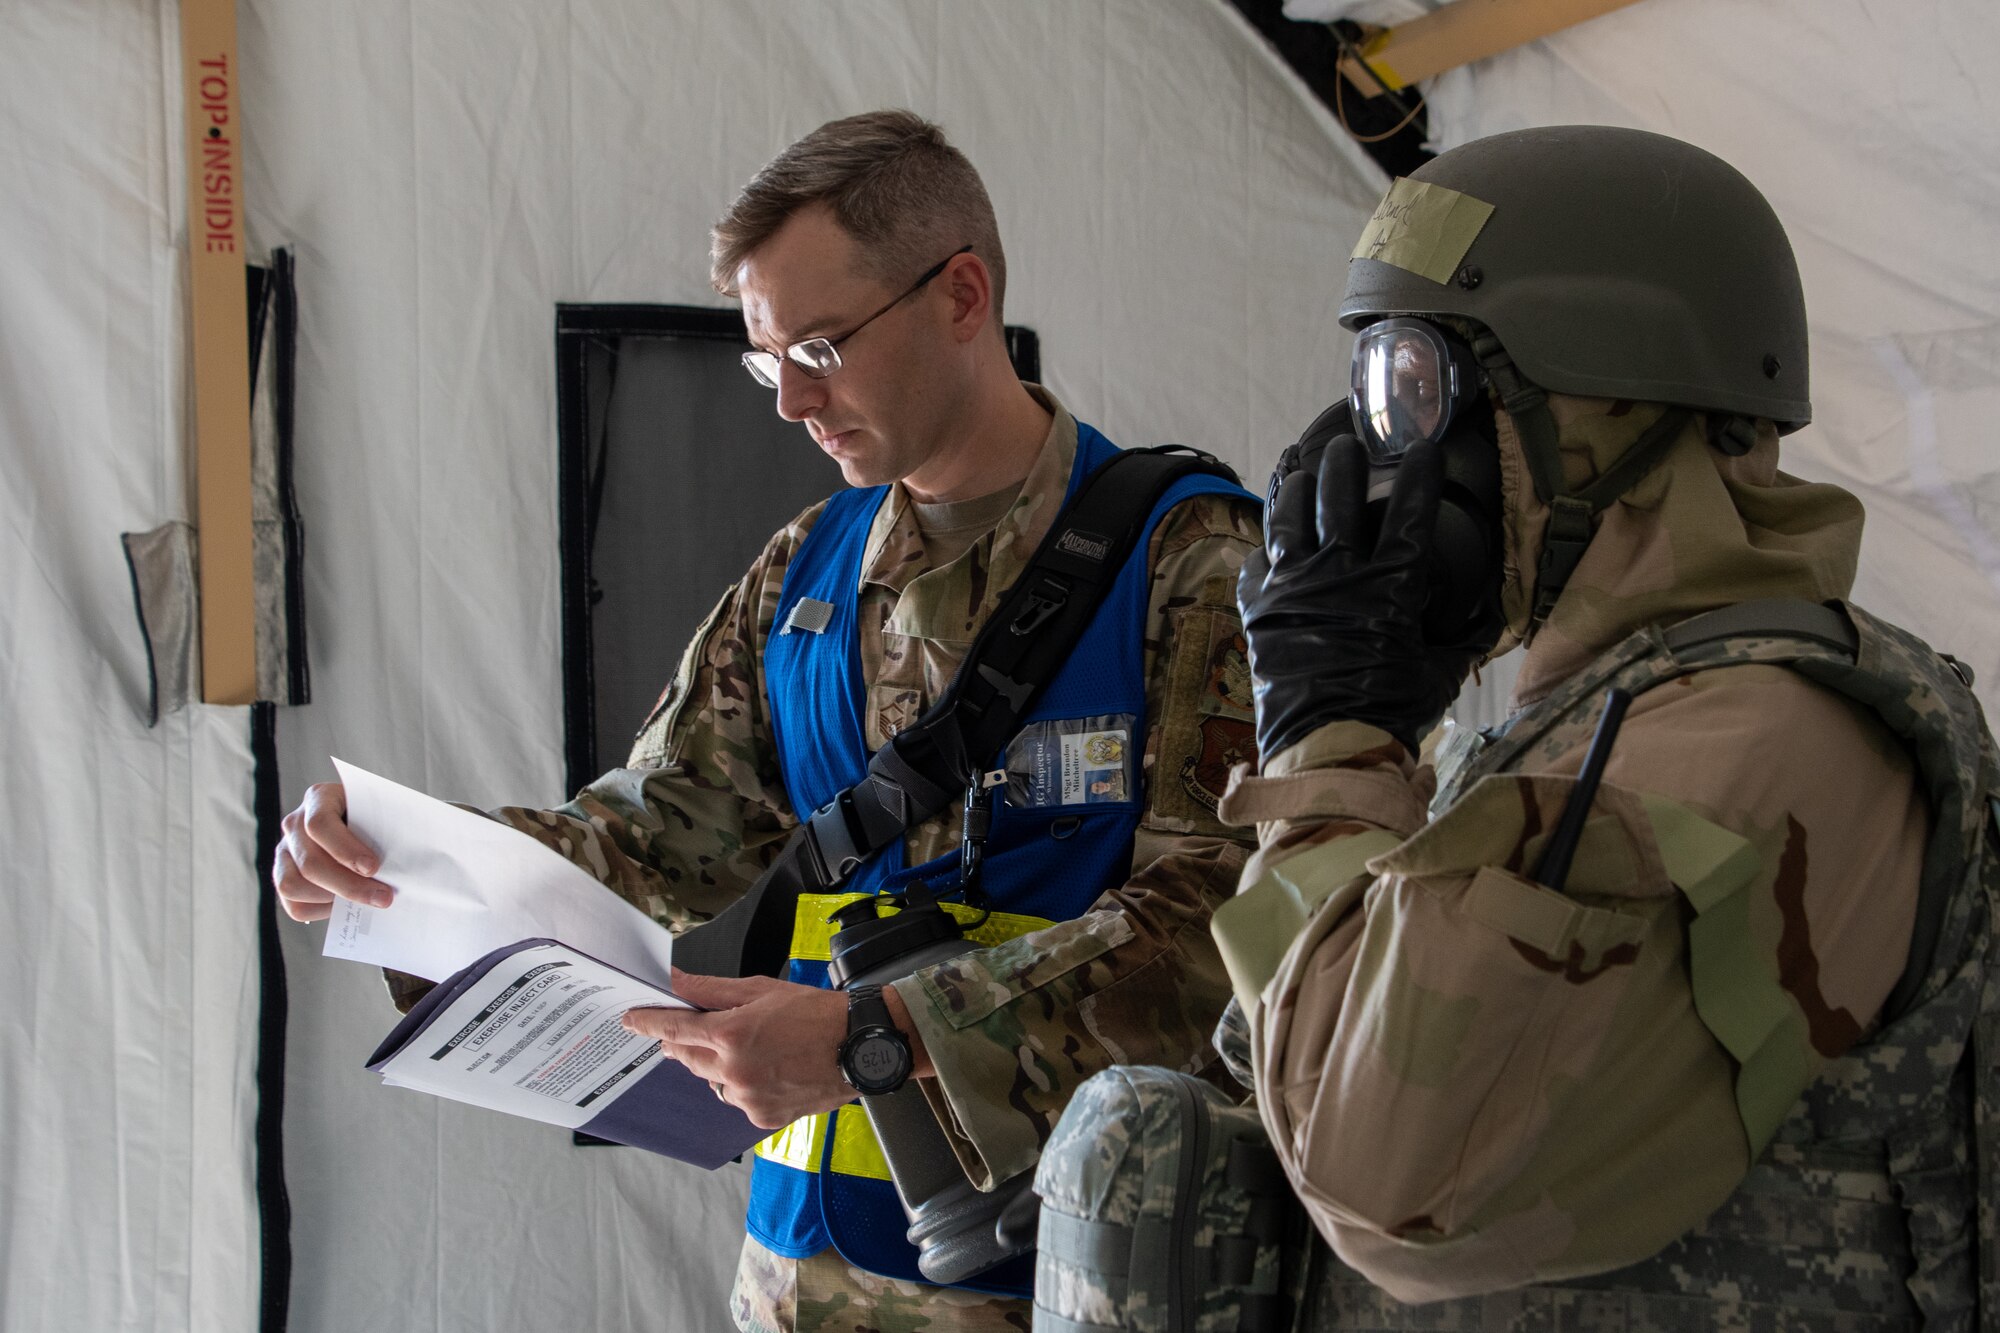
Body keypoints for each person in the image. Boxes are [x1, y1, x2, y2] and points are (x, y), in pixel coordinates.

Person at [273, 109, 1263, 1333]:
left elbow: (1234, 927)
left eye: (819, 346)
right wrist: (404, 863)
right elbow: (658, 830)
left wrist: (878, 1036)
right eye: (765, 361)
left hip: (1058, 1284)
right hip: (797, 1278)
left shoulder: (1188, 560)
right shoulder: (807, 573)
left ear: (961, 296)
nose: (790, 402)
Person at [1033, 125, 1997, 1330]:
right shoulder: (1609, 708)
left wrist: (1330, 747)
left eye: (1416, 389)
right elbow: (1282, 1056)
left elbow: (1389, 1186)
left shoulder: (1751, 739)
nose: (1387, 457)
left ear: (1602, 401)